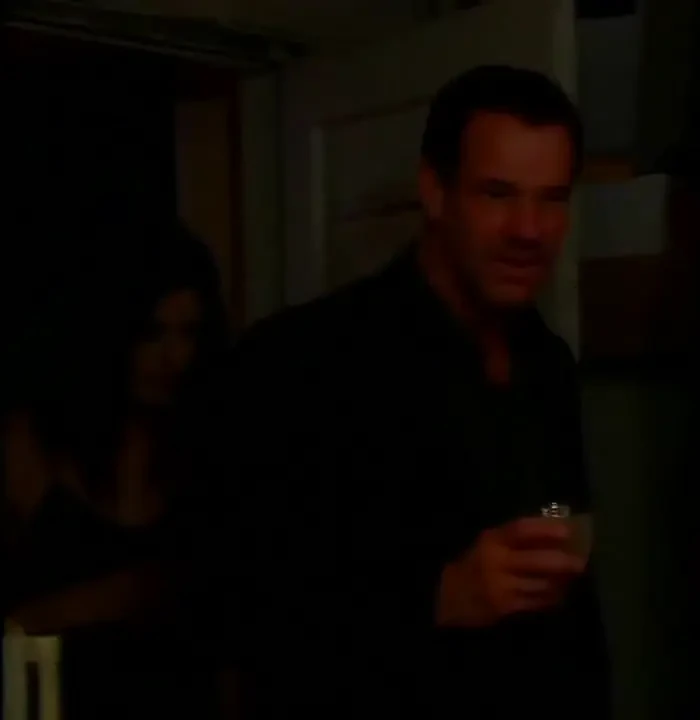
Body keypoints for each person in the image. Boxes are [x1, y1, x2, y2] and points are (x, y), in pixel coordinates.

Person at [193, 65, 610, 719]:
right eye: (497, 194)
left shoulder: (546, 361)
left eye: (552, 198)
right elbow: (232, 602)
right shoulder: (304, 360)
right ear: (435, 192)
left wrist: (555, 524)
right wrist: (438, 596)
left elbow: (555, 506)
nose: (529, 229)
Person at [1, 217, 227, 720]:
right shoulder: (31, 444)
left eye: (189, 333)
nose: (175, 358)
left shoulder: (204, 444)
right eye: (152, 334)